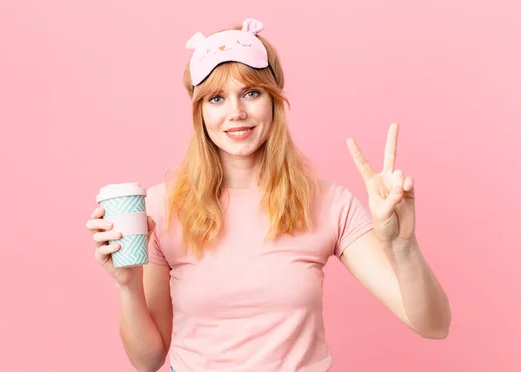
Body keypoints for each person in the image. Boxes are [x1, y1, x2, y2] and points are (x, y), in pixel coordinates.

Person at [85, 18, 451, 372]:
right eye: (216, 99)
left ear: (274, 101)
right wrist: (127, 286)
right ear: (199, 113)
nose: (236, 112)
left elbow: (433, 325)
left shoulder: (329, 204)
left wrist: (403, 247)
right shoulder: (160, 208)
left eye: (251, 93)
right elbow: (147, 360)